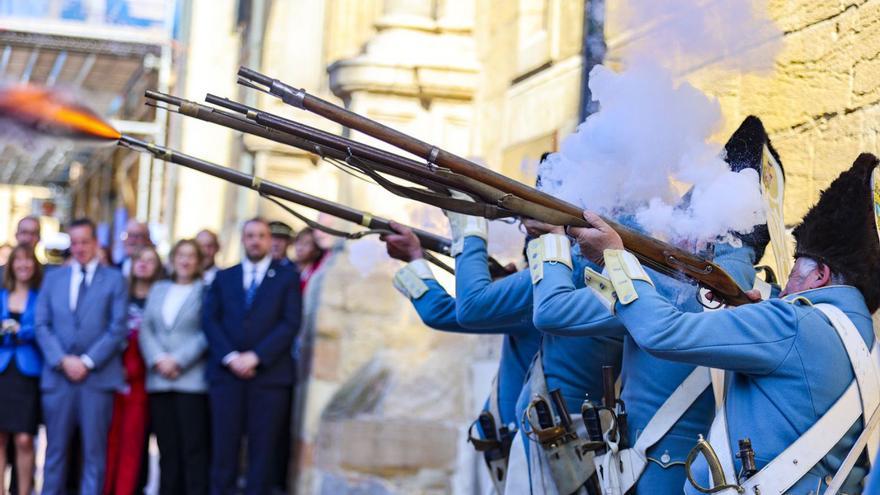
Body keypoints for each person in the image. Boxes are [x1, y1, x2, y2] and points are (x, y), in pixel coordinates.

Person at [572, 154, 880, 493]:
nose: (787, 287)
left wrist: (612, 259)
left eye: (795, 273)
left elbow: (661, 333)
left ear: (820, 275)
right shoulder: (865, 340)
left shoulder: (792, 323)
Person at [527, 117, 774, 494]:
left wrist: (552, 240)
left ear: (709, 228)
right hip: (702, 479)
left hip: (644, 478)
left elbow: (551, 310)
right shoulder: (772, 298)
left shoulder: (667, 287)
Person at [381, 221, 541, 493]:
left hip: (525, 449)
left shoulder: (538, 289)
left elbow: (440, 312)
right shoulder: (557, 286)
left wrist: (414, 259)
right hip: (522, 444)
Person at [203, 218, 302, 495]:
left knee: (263, 453)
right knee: (224, 450)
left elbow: (290, 323)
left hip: (269, 378)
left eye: (261, 235)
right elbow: (210, 320)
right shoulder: (224, 277)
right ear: (243, 240)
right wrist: (232, 357)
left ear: (270, 240)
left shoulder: (287, 278)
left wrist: (256, 357)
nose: (256, 240)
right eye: (250, 235)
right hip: (226, 377)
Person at [35, 218, 128, 495]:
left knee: (94, 454)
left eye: (85, 241)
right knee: (54, 453)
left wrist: (87, 362)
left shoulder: (114, 279)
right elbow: (42, 324)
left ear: (96, 243)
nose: (79, 248)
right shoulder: (53, 278)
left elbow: (118, 327)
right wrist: (63, 360)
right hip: (58, 377)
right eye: (74, 242)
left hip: (96, 379)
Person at [140, 239, 210, 495]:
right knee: (166, 449)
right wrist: (159, 359)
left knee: (193, 448)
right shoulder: (158, 289)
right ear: (172, 259)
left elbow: (206, 332)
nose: (185, 260)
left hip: (190, 381)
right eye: (180, 255)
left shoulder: (206, 290)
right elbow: (146, 328)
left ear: (199, 261)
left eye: (191, 256)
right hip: (159, 380)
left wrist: (178, 360)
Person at [103, 246, 165, 495]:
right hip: (112, 374)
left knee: (133, 443)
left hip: (145, 378)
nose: (143, 264)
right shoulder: (120, 293)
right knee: (109, 441)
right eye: (139, 258)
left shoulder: (161, 296)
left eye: (150, 260)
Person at [0, 246, 42, 495]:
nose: (23, 266)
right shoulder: (1, 295)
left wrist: (19, 331)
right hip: (2, 370)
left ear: (34, 266)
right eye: (18, 261)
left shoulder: (41, 297)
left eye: (28, 261)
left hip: (28, 373)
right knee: (0, 437)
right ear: (11, 265)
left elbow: (43, 328)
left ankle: (25, 491)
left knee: (25, 438)